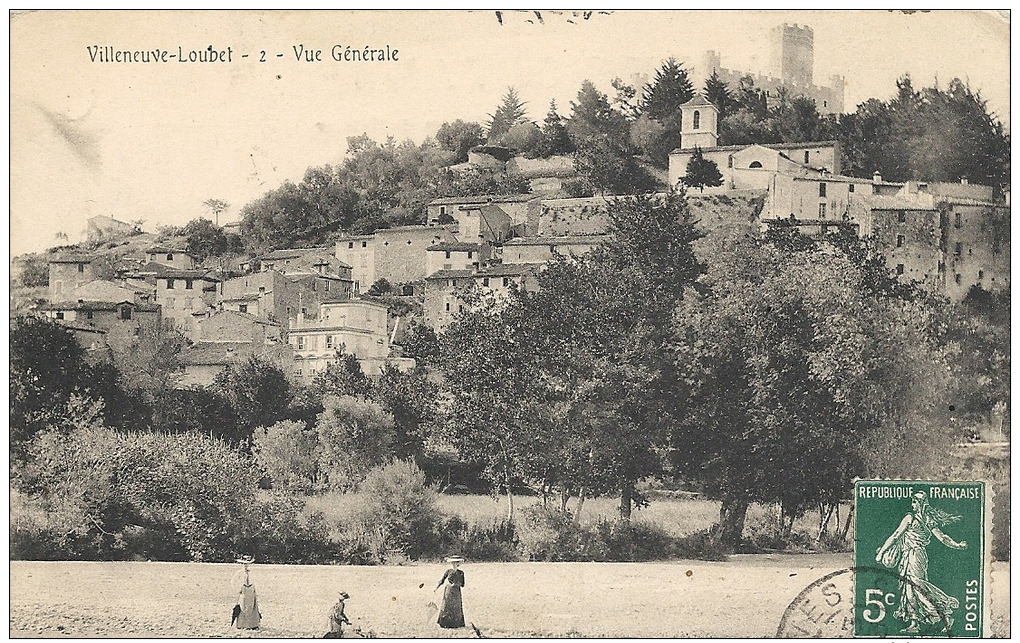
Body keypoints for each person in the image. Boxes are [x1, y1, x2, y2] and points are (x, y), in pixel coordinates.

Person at [875, 491, 967, 633]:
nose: (913, 505)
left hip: (916, 556)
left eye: (915, 502)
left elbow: (896, 536)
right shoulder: (920, 518)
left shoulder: (916, 518)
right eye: (912, 502)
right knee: (909, 590)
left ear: (922, 503)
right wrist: (957, 545)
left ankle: (945, 613)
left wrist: (957, 545)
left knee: (918, 587)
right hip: (909, 556)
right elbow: (897, 536)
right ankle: (914, 623)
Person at [435, 556, 465, 629]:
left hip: (456, 592)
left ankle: (456, 624)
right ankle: (445, 623)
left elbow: (463, 584)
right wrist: (436, 588)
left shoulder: (461, 573)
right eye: (453, 562)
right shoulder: (448, 571)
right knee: (446, 606)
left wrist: (456, 584)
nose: (454, 564)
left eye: (456, 562)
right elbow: (442, 580)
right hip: (448, 591)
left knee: (456, 608)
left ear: (458, 563)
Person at [232, 557, 262, 630]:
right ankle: (242, 624)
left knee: (252, 606)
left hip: (251, 591)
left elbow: (257, 581)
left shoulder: (252, 573)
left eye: (247, 564)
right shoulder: (239, 573)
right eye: (244, 564)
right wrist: (239, 589)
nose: (246, 566)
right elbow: (233, 581)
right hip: (243, 592)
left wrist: (254, 588)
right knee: (243, 606)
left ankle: (253, 624)